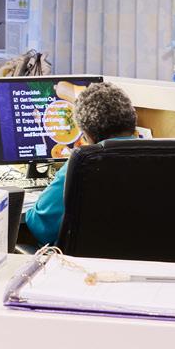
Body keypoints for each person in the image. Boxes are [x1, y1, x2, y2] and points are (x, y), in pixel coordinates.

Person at [23, 83, 137, 247]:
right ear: (133, 122)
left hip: (86, 262)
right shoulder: (161, 158)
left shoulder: (82, 163)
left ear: (86, 135)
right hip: (149, 259)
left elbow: (41, 227)